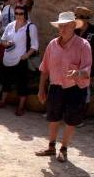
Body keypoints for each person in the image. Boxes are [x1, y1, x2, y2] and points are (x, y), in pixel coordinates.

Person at [35, 12, 91, 162]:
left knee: (71, 120)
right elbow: (44, 69)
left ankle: (64, 149)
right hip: (56, 86)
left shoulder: (83, 45)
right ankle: (51, 147)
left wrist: (78, 73)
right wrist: (41, 89)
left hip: (76, 88)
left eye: (66, 25)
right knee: (53, 117)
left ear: (74, 26)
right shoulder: (52, 44)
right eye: (61, 26)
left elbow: (87, 70)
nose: (63, 28)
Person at [0, 4, 38, 115]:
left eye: (21, 13)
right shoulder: (10, 26)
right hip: (8, 58)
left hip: (21, 60)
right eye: (16, 13)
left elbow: (35, 45)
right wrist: (5, 43)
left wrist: (26, 55)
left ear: (25, 14)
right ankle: (3, 101)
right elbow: (1, 40)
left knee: (22, 84)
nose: (18, 15)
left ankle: (21, 107)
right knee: (6, 82)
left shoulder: (30, 27)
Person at [75, 6, 94, 124]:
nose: (76, 19)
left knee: (85, 93)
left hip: (88, 67)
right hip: (74, 66)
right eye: (76, 16)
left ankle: (81, 118)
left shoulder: (93, 32)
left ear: (86, 19)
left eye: (79, 17)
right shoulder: (74, 30)